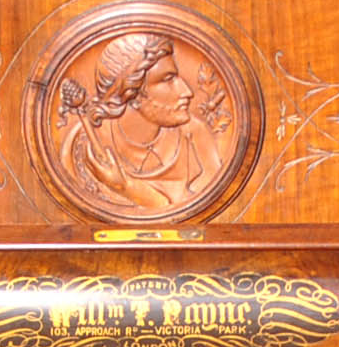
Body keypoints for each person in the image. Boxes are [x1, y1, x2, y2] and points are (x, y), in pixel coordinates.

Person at [54, 31, 231, 215]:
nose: (187, 91)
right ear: (131, 93)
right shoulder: (81, 145)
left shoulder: (194, 134)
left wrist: (128, 188)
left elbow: (211, 209)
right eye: (168, 79)